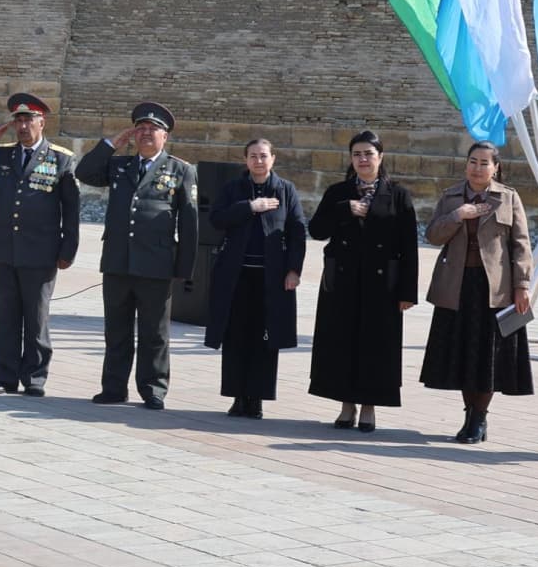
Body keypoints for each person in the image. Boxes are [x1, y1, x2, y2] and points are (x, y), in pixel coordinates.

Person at [76, 102, 199, 410]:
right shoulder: (120, 166)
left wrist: (183, 269)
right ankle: (114, 387)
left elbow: (190, 223)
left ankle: (153, 389)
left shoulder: (180, 170)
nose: (146, 134)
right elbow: (84, 172)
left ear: (165, 136)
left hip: (156, 265)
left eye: (153, 129)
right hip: (118, 262)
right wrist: (109, 145)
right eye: (140, 129)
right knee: (116, 330)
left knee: (154, 333)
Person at [0, 93, 80, 396]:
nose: (23, 125)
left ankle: (35, 378)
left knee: (36, 317)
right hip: (3, 248)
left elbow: (71, 210)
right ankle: (5, 377)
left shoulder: (60, 157)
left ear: (42, 123)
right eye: (19, 120)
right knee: (5, 317)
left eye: (29, 120)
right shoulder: (2, 154)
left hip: (41, 250)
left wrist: (68, 250)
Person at [421, 142, 534, 445]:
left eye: (485, 163)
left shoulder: (508, 198)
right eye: (473, 161)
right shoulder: (451, 196)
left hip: (494, 290)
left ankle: (479, 417)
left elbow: (521, 244)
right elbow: (432, 235)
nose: (478, 168)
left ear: (496, 167)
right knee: (462, 354)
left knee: (486, 357)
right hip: (456, 286)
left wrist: (522, 285)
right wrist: (458, 215)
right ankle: (470, 414)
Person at [308, 131, 417, 432]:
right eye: (357, 154)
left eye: (369, 153)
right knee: (341, 343)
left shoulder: (398, 194)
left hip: (382, 286)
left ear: (380, 157)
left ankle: (369, 407)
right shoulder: (337, 192)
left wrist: (408, 291)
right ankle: (346, 405)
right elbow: (316, 229)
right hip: (342, 282)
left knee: (374, 346)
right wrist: (344, 210)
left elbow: (408, 247)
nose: (363, 159)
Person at [204, 138, 307, 419]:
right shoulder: (233, 189)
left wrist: (294, 270)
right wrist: (250, 207)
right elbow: (216, 219)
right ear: (245, 160)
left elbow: (297, 232)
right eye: (253, 156)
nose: (258, 161)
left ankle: (257, 398)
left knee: (265, 339)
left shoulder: (285, 190)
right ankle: (238, 397)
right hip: (236, 276)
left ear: (273, 158)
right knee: (235, 336)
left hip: (270, 278)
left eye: (263, 156)